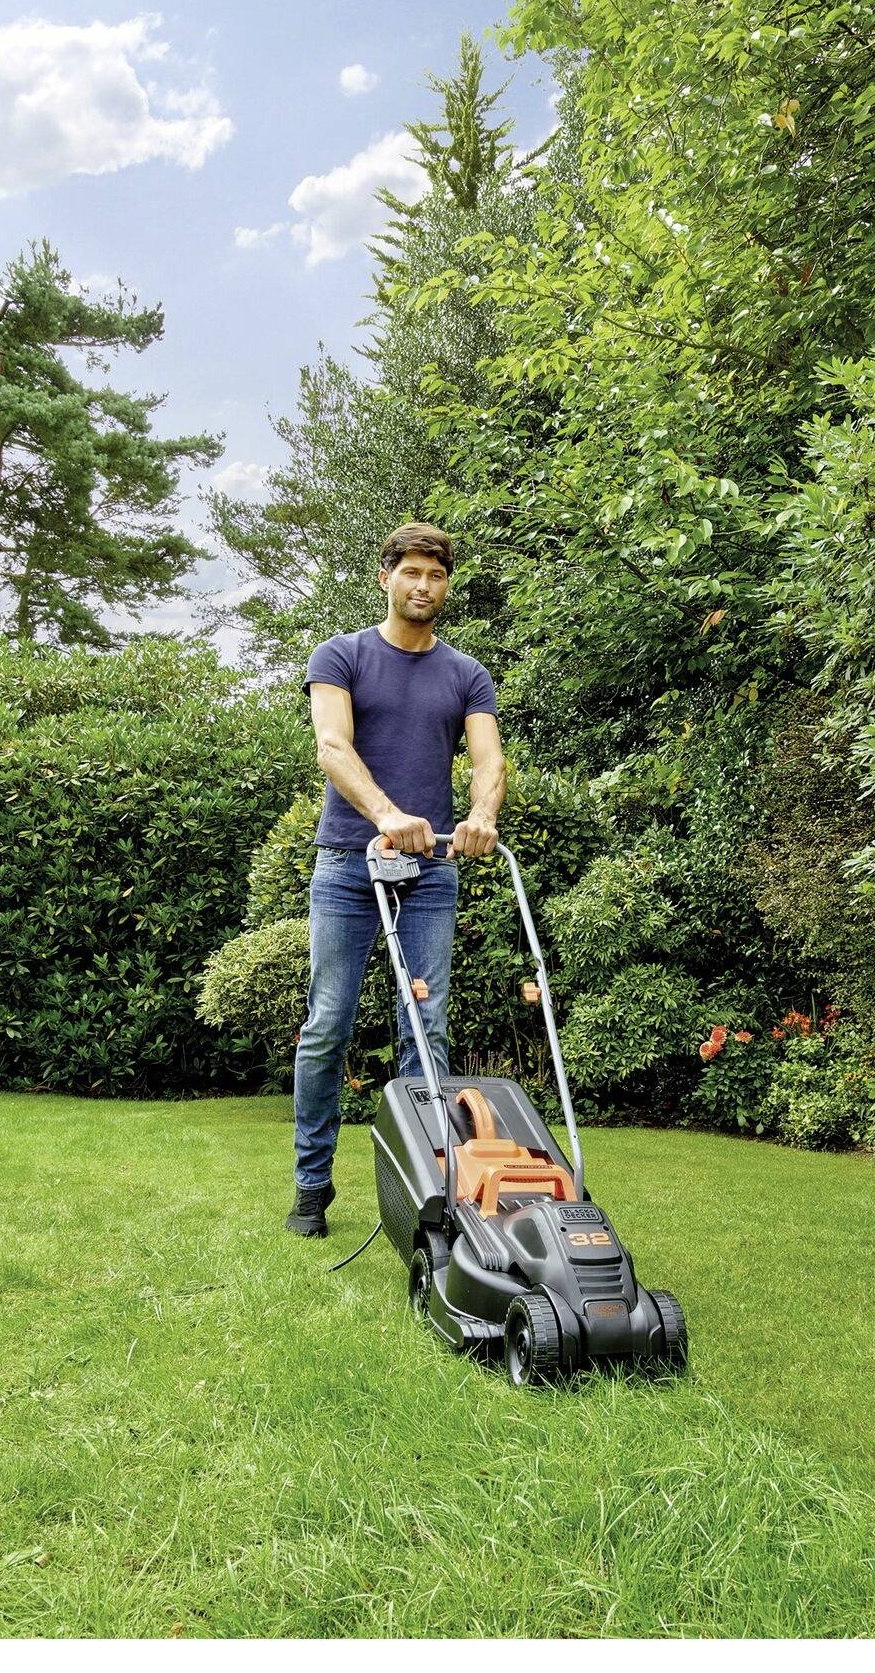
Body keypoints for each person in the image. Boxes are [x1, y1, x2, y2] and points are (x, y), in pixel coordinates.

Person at [285, 522, 505, 1236]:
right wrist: (385, 813)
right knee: (329, 1025)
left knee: (426, 1024)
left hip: (432, 871)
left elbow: (487, 762)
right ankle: (312, 1185)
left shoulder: (466, 674)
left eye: (435, 576)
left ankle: (429, 1190)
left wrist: (479, 817)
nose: (423, 586)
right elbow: (331, 745)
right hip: (350, 862)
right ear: (386, 577)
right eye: (410, 572)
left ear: (447, 585)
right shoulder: (341, 656)